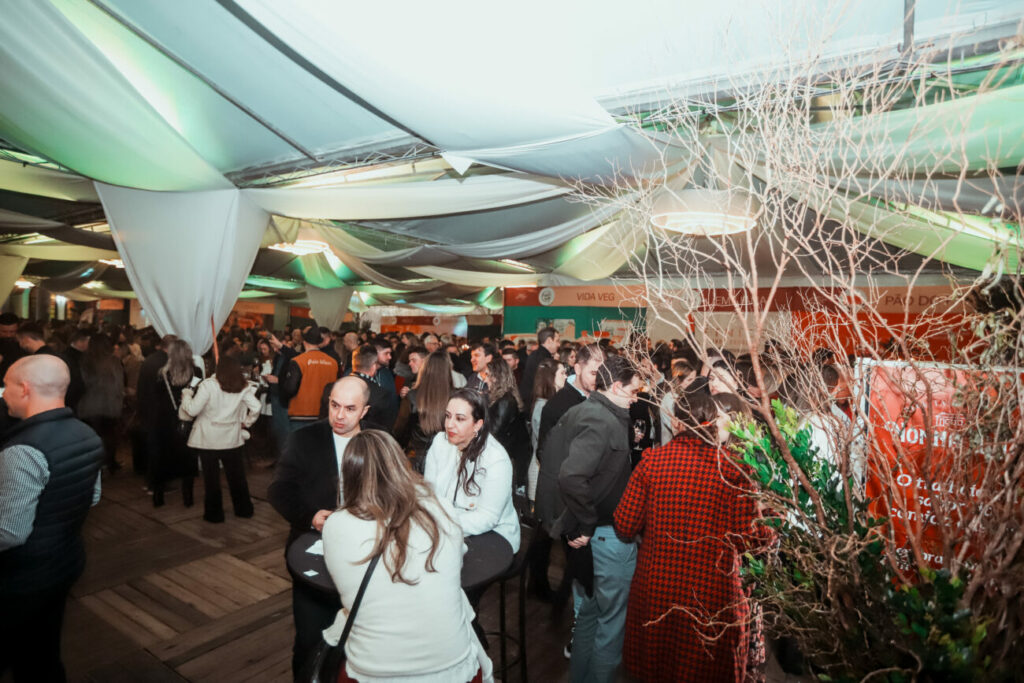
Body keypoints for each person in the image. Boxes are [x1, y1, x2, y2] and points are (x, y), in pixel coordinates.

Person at [614, 384, 772, 682]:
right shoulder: (734, 471)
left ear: (675, 423)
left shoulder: (652, 462)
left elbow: (624, 525)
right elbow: (751, 540)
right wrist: (774, 518)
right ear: (713, 426)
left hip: (657, 587)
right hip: (710, 594)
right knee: (701, 670)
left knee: (655, 668)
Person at [321, 430, 494, 683]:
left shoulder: (336, 525)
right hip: (453, 671)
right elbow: (457, 555)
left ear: (349, 476)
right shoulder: (441, 508)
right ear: (400, 464)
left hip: (374, 671)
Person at [0, 355, 104, 683]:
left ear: (25, 388)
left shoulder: (23, 450)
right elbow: (94, 496)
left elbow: (9, 533)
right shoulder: (87, 433)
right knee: (42, 655)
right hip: (65, 562)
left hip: (20, 577)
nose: (3, 395)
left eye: (5, 386)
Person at [268, 376, 369, 681]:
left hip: (363, 556)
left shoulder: (377, 439)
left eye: (350, 409)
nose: (340, 415)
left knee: (360, 643)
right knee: (311, 641)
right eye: (334, 405)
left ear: (365, 411)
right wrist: (310, 516)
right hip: (313, 554)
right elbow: (279, 491)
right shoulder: (305, 439)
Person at [554, 355, 641, 683]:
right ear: (616, 386)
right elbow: (571, 476)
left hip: (591, 537)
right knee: (610, 626)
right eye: (633, 391)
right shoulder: (603, 420)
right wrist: (587, 522)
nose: (636, 397)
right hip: (604, 538)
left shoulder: (598, 412)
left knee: (588, 618)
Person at [423, 388, 519, 556]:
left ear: (478, 425)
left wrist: (442, 523)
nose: (449, 424)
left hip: (492, 537)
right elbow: (429, 493)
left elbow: (487, 518)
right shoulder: (440, 442)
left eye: (460, 418)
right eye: (447, 416)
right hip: (444, 528)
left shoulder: (496, 459)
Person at [179, 356, 261, 523]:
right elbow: (257, 407)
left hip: (207, 438)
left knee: (211, 479)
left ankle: (214, 514)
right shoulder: (243, 386)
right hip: (232, 437)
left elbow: (193, 410)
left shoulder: (208, 385)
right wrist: (246, 423)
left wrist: (186, 395)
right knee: (237, 476)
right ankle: (244, 509)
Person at [149, 339, 201, 507]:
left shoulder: (162, 374)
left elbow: (156, 399)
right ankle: (188, 498)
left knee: (162, 459)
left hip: (164, 422)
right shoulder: (196, 372)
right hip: (187, 420)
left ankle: (158, 497)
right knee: (188, 461)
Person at [77, 333, 125, 474]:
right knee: (109, 436)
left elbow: (84, 382)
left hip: (88, 405)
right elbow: (119, 384)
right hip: (110, 405)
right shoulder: (114, 361)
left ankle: (92, 465)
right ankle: (108, 463)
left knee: (91, 437)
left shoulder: (85, 360)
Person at [403, 348, 454, 473]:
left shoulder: (412, 396)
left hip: (417, 460)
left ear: (425, 369)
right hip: (448, 459)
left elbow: (401, 430)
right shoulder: (457, 396)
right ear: (448, 370)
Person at [280, 326, 340, 430]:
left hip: (300, 414)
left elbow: (290, 389)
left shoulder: (298, 361)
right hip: (324, 414)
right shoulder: (333, 362)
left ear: (304, 342)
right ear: (319, 343)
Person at [485, 356, 529, 491]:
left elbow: (493, 433)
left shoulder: (505, 401)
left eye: (488, 375)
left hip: (505, 457)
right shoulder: (503, 397)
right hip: (507, 455)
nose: (485, 379)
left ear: (496, 377)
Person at [527, 359, 566, 502]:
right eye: (562, 373)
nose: (566, 376)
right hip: (541, 470)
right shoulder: (543, 406)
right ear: (551, 377)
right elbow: (545, 442)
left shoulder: (550, 403)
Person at [519, 326, 559, 406]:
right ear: (549, 341)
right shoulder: (544, 359)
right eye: (557, 341)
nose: (559, 344)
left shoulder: (536, 354)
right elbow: (547, 385)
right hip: (535, 403)